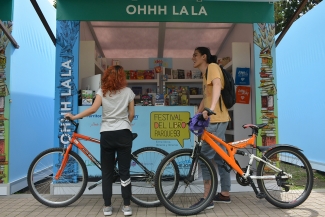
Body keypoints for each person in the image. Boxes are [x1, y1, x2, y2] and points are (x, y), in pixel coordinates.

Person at [65, 65, 135, 216]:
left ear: (107, 76)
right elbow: (131, 113)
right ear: (122, 77)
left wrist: (75, 116)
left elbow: (93, 109)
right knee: (124, 171)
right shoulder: (128, 92)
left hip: (107, 134)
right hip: (123, 133)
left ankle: (108, 206)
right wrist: (126, 124)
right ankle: (127, 206)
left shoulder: (102, 91)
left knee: (107, 172)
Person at [191, 47, 231, 209]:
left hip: (216, 120)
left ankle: (207, 198)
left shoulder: (212, 67)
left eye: (195, 55)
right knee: (221, 157)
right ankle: (225, 194)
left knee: (205, 158)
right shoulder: (205, 73)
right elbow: (206, 97)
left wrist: (210, 109)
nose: (192, 58)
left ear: (204, 56)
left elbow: (217, 86)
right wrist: (197, 114)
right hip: (217, 119)